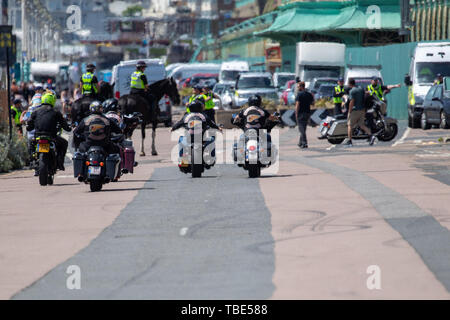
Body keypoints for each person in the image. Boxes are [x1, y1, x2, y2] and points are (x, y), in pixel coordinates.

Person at [26, 92, 71, 171]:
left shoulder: (35, 111)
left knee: (30, 143)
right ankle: (60, 163)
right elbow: (65, 125)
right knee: (64, 143)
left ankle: (32, 160)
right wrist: (69, 128)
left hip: (38, 136)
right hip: (51, 136)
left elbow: (29, 125)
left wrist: (29, 126)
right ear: (52, 101)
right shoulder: (56, 112)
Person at [345, 78, 376, 147]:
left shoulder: (352, 91)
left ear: (349, 84)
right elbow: (366, 94)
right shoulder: (360, 88)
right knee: (362, 125)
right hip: (363, 110)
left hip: (355, 110)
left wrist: (349, 111)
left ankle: (350, 141)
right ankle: (371, 136)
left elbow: (352, 102)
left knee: (350, 125)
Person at [295, 81, 314, 149]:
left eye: (298, 86)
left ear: (301, 87)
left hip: (301, 113)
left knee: (301, 129)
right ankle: (300, 142)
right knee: (303, 128)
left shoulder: (299, 94)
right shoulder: (309, 94)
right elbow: (313, 103)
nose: (297, 88)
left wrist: (296, 113)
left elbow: (297, 104)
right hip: (307, 113)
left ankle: (304, 142)